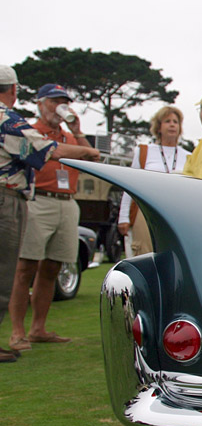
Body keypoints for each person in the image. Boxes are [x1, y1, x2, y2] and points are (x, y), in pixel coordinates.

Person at [5, 81, 100, 354]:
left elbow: (92, 161)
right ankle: (17, 332)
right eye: (53, 102)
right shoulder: (30, 132)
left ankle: (38, 329)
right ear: (39, 103)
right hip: (38, 200)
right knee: (26, 268)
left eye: (63, 102)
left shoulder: (68, 137)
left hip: (67, 202)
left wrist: (78, 132)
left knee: (52, 268)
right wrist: (82, 148)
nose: (59, 107)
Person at [116, 106, 190, 256]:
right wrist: (123, 217)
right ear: (159, 127)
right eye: (167, 121)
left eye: (175, 122)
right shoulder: (144, 151)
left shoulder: (188, 156)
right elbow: (129, 184)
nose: (172, 125)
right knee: (144, 254)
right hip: (146, 210)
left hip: (176, 212)